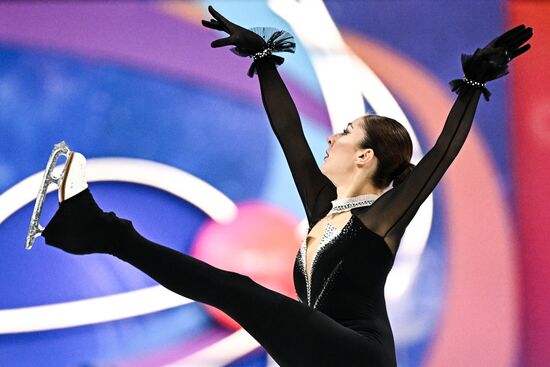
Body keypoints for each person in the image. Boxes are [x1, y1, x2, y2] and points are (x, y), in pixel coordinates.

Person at [40, 5, 532, 367]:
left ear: (366, 156)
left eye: (345, 133)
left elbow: (440, 157)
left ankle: (97, 231)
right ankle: (95, 231)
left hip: (358, 357)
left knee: (232, 288)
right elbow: (290, 134)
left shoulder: (381, 217)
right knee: (229, 289)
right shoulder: (324, 208)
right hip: (316, 355)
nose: (332, 137)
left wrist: (470, 89)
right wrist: (266, 61)